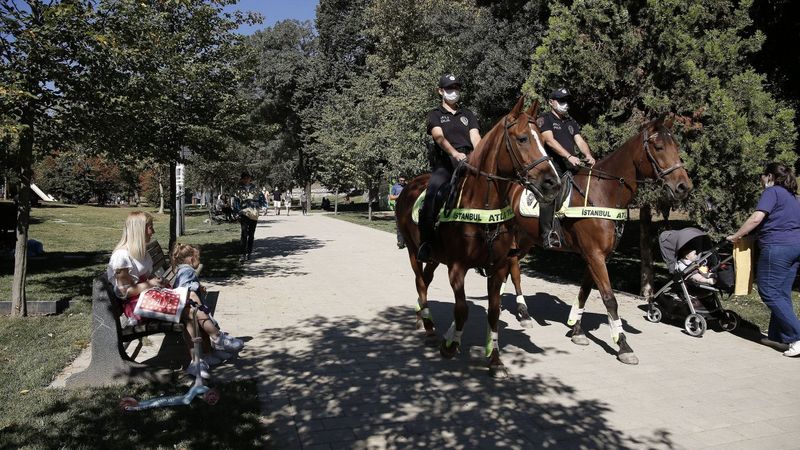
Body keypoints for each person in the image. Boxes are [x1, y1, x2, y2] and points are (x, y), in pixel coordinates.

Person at [106, 212, 207, 378]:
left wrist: (158, 281)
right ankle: (200, 358)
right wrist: (150, 284)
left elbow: (147, 277)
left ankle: (207, 352)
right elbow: (124, 292)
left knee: (191, 301)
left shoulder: (141, 252)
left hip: (149, 298)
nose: (153, 231)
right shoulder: (121, 256)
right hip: (136, 307)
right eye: (150, 227)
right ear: (139, 230)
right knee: (188, 311)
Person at [728, 162, 800, 357]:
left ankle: (797, 336)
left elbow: (756, 218)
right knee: (782, 293)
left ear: (770, 176)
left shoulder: (772, 192)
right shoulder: (794, 197)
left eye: (762, 175)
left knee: (768, 291)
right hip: (795, 248)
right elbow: (782, 223)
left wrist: (736, 235)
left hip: (777, 249)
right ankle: (780, 337)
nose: (760, 179)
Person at [417, 74, 482, 262]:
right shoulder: (435, 115)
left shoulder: (467, 114)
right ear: (440, 91)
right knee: (432, 194)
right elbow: (439, 137)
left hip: (469, 161)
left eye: (456, 88)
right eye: (449, 88)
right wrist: (454, 153)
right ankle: (426, 243)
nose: (454, 92)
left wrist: (480, 156)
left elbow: (475, 138)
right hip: (446, 163)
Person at [535, 87, 597, 248]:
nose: (565, 104)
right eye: (561, 101)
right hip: (552, 165)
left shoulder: (571, 122)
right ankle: (547, 234)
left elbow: (580, 141)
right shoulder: (544, 119)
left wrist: (588, 155)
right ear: (551, 102)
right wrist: (569, 156)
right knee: (549, 193)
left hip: (571, 166)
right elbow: (549, 140)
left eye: (567, 101)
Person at [171, 243, 244, 365]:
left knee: (203, 321)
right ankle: (218, 341)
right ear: (191, 259)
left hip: (193, 305)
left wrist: (198, 287)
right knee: (203, 321)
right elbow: (184, 287)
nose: (199, 261)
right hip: (190, 307)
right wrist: (196, 287)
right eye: (198, 258)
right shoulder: (187, 271)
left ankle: (210, 352)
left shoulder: (184, 270)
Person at [232, 172, 267, 262]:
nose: (246, 180)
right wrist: (236, 212)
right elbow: (236, 202)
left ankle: (249, 253)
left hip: (254, 214)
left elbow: (262, 199)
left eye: (248, 178)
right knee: (244, 234)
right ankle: (242, 254)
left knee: (251, 234)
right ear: (242, 179)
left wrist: (264, 207)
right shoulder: (239, 190)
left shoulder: (256, 189)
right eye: (244, 178)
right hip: (244, 213)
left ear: (250, 179)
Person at [389, 176, 407, 249]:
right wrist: (399, 196)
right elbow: (391, 197)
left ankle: (406, 241)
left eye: (404, 180)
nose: (402, 182)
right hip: (398, 208)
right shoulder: (395, 187)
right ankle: (400, 242)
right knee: (399, 224)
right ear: (399, 180)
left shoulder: (407, 186)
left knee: (406, 225)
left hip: (407, 208)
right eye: (401, 180)